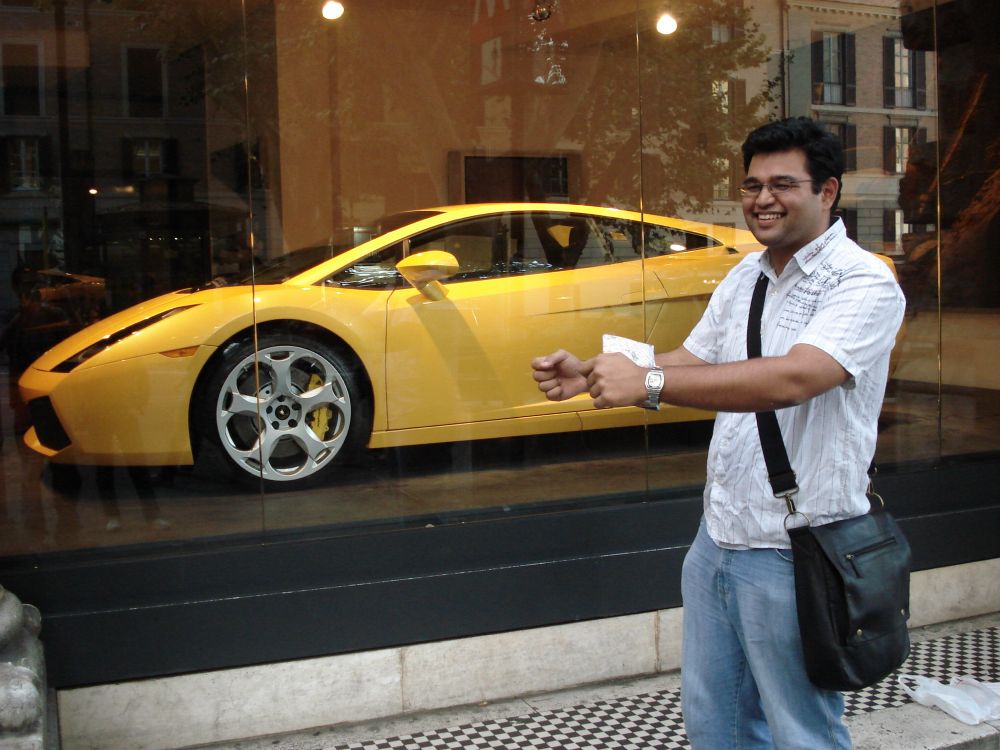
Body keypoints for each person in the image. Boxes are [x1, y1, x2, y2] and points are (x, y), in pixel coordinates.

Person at [531, 117, 905, 749]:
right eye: (753, 184)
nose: (763, 198)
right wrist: (597, 373)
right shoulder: (748, 275)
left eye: (783, 183)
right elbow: (697, 360)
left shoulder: (863, 280)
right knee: (718, 724)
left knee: (802, 730)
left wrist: (647, 386)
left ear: (828, 192)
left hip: (797, 550)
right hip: (719, 541)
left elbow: (793, 378)